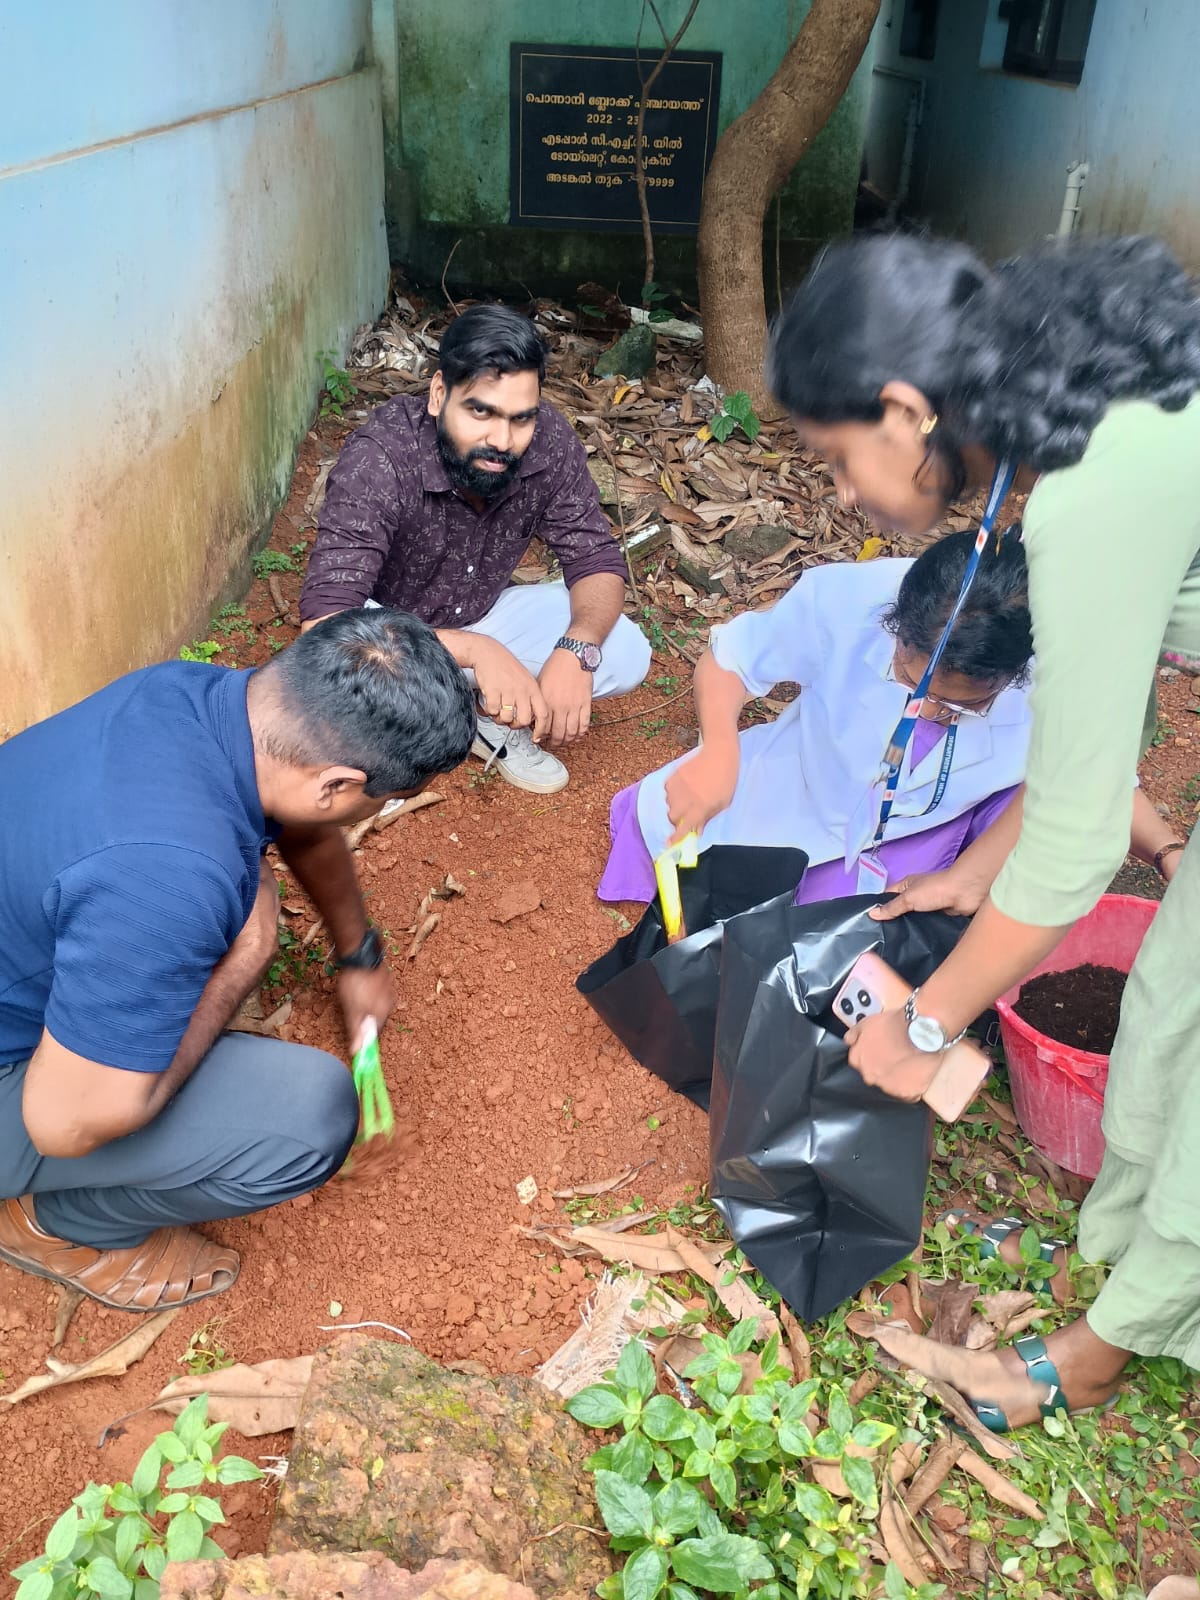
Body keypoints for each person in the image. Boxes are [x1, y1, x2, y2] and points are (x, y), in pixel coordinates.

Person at [767, 231, 1200, 1430]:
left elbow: (1070, 846)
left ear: (906, 410)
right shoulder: (1074, 429)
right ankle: (1117, 1244)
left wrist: (922, 1021)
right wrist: (973, 878)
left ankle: (1106, 1345)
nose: (846, 494)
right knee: (1173, 992)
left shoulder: (1096, 486)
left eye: (838, 458)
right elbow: (1087, 767)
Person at [0, 610, 476, 1312]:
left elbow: (300, 823)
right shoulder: (167, 876)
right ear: (338, 784)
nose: (363, 814)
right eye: (376, 801)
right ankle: (54, 1226)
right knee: (304, 1115)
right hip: (47, 1089)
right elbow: (64, 1122)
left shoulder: (197, 697)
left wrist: (358, 952)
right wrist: (244, 959)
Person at [299, 304, 651, 795]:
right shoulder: (382, 455)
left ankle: (476, 709)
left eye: (520, 418)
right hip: (384, 638)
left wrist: (579, 646)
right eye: (481, 411)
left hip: (483, 611)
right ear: (439, 394)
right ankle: (441, 710)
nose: (501, 440)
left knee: (625, 652)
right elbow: (324, 623)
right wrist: (475, 651)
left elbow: (594, 557)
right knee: (336, 666)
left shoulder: (548, 442)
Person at [600, 534, 1037, 904]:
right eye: (909, 681)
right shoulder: (851, 599)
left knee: (858, 935)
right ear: (896, 626)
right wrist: (719, 749)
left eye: (959, 707)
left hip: (934, 821)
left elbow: (1067, 785)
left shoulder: (1062, 681)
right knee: (671, 831)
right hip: (812, 781)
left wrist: (971, 878)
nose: (927, 712)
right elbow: (732, 659)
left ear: (1013, 675)